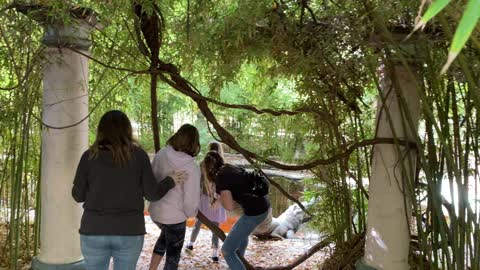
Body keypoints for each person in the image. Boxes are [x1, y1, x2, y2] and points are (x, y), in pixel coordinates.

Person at [72, 110, 186, 270]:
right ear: (127, 130)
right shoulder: (139, 156)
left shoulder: (88, 156)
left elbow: (78, 196)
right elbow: (152, 194)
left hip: (93, 229)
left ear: (101, 131)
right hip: (129, 231)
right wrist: (170, 181)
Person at [202, 151, 270, 270]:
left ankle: (237, 266)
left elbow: (229, 207)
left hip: (255, 213)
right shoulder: (229, 167)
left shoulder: (220, 178)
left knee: (227, 250)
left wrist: (219, 197)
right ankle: (238, 265)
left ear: (208, 170)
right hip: (263, 206)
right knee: (241, 236)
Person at [148, 124, 201, 270]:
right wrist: (191, 214)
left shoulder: (161, 154)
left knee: (165, 237)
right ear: (194, 143)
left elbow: (151, 179)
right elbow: (190, 199)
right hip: (175, 218)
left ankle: (151, 269)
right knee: (173, 256)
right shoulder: (192, 167)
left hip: (156, 212)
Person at [185, 141, 227, 262]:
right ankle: (214, 253)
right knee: (215, 226)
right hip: (217, 199)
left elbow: (197, 183)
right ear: (219, 151)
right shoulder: (222, 165)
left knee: (198, 223)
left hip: (204, 198)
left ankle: (190, 243)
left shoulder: (202, 164)